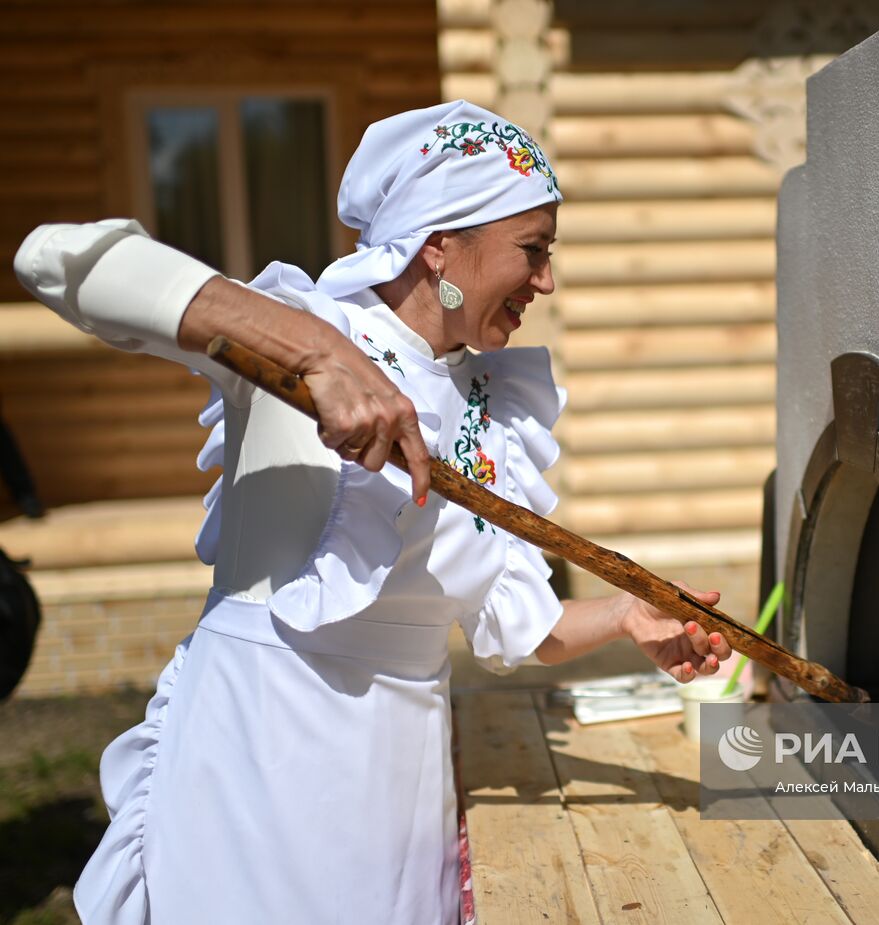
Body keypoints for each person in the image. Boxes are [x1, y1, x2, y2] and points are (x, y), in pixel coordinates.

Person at [14, 99, 733, 924]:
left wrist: (625, 615)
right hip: (263, 754)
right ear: (440, 245)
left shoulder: (492, 403)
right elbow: (53, 259)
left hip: (402, 785)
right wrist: (317, 352)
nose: (546, 280)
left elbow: (513, 624)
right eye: (532, 250)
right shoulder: (306, 334)